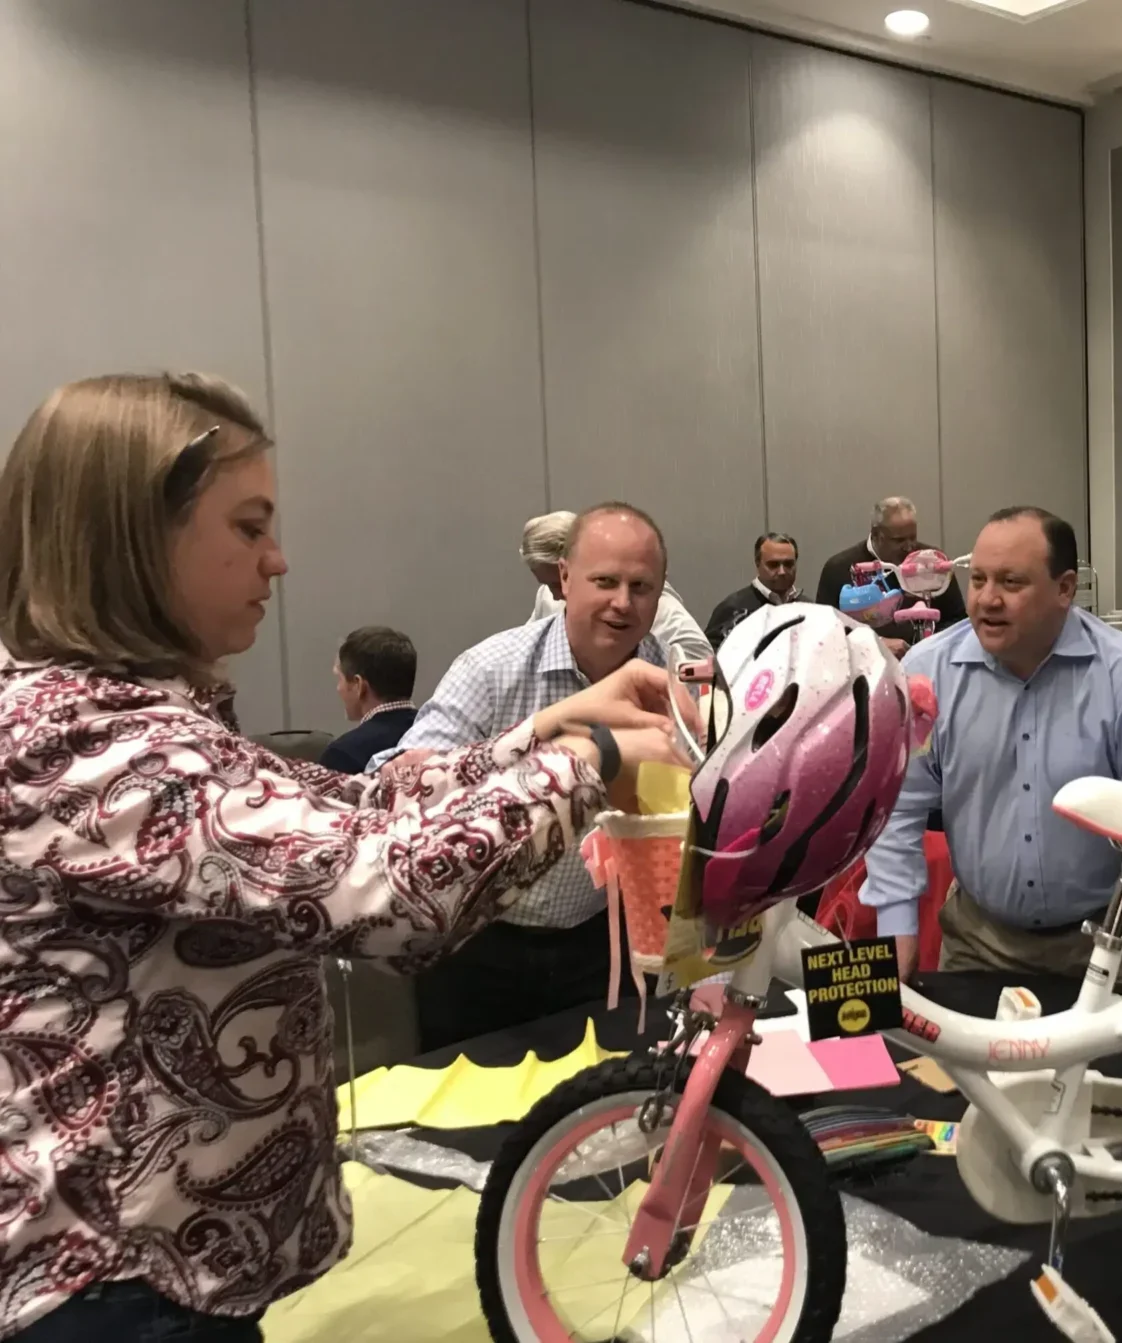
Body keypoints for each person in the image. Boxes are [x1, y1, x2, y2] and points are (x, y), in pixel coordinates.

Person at [0, 373, 685, 1342]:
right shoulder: (88, 742)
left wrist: (543, 735)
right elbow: (384, 887)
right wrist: (588, 760)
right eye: (248, 527)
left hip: (159, 1277)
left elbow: (344, 807)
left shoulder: (138, 717)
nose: (277, 560)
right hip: (120, 1290)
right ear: (136, 536)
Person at [859, 507, 1122, 978]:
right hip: (978, 942)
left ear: (1065, 589)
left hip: (1108, 943)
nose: (987, 599)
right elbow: (896, 810)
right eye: (978, 579)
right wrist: (896, 933)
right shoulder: (929, 672)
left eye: (1011, 582)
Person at [382, 502, 675, 1051]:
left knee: (599, 1094)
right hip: (479, 949)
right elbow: (395, 786)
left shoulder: (669, 680)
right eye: (605, 582)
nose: (622, 602)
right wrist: (543, 740)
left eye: (641, 587)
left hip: (599, 944)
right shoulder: (492, 669)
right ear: (564, 578)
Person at [524, 508, 710, 668]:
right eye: (549, 585)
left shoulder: (666, 619)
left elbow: (701, 669)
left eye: (605, 581)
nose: (558, 595)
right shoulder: (545, 599)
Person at [815, 496, 966, 654]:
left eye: (912, 538)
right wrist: (876, 644)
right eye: (899, 540)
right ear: (876, 534)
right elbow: (823, 632)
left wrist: (929, 646)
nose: (909, 547)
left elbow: (957, 621)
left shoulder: (932, 563)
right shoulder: (839, 568)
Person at [319, 625, 418, 773]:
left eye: (340, 678)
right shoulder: (437, 735)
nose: (338, 688)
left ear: (358, 685)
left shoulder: (343, 755)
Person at [706, 531, 801, 646]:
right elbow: (710, 653)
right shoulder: (733, 609)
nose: (782, 572)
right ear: (757, 564)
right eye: (773, 565)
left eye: (788, 564)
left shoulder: (809, 607)